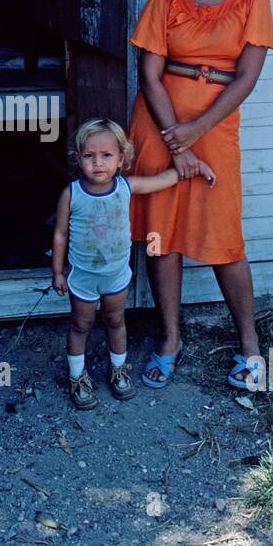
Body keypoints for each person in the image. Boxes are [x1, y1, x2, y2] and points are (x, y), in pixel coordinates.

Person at [127, 0, 273, 390]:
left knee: (223, 239)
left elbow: (246, 79)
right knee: (161, 235)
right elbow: (148, 75)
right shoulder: (164, 2)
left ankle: (251, 349)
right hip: (159, 123)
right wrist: (177, 142)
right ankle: (169, 340)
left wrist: (195, 133)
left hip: (214, 127)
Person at [51, 118, 215, 409]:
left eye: (106, 156)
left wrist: (196, 167)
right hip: (83, 277)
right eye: (89, 156)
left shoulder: (126, 186)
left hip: (116, 276)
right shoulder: (72, 193)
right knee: (80, 324)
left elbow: (163, 179)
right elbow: (60, 234)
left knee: (116, 321)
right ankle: (77, 377)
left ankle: (118, 371)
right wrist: (58, 273)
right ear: (79, 159)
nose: (98, 163)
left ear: (121, 159)